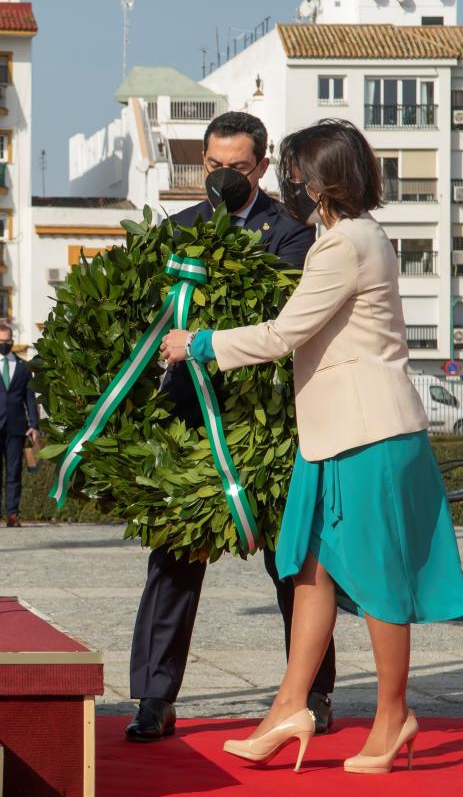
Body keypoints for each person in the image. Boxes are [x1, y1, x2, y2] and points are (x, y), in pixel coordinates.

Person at [161, 119, 463, 774]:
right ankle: (287, 707)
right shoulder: (359, 236)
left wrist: (200, 343)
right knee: (309, 571)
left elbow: (286, 332)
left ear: (322, 178)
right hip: (336, 431)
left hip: (368, 433)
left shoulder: (343, 245)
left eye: (295, 175)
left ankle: (393, 718)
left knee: (380, 581)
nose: (289, 186)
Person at [126, 112, 336, 742]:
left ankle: (312, 693)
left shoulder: (293, 232)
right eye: (211, 167)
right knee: (172, 563)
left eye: (235, 169)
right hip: (192, 422)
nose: (221, 179)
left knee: (291, 562)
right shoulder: (175, 230)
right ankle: (153, 699)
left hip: (268, 423)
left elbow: (280, 311)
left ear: (263, 168)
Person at [0, 324, 39, 527]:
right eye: (1, 341)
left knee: (14, 473)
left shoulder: (24, 367)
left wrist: (34, 424)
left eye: (8, 341)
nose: (5, 344)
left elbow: (29, 398)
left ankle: (12, 514)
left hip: (16, 427)